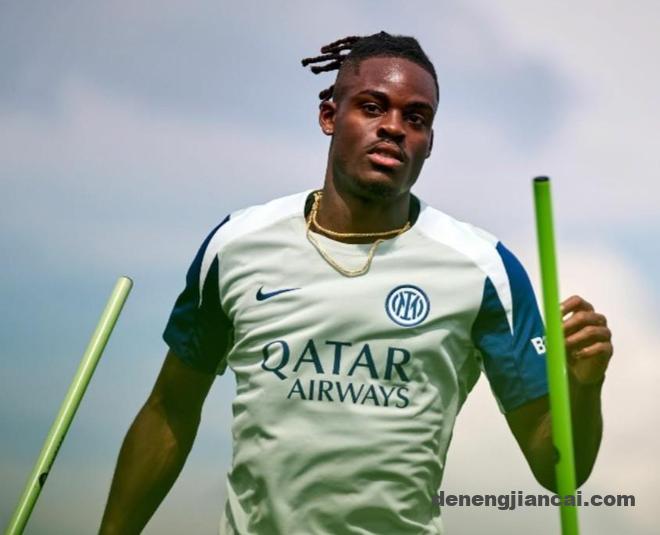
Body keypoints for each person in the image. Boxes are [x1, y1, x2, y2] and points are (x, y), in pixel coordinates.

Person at [98, 32, 613, 534]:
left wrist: (585, 386)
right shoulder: (237, 244)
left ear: (429, 144)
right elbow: (169, 411)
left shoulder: (483, 268)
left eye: (416, 118)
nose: (393, 128)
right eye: (372, 107)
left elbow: (559, 471)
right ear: (329, 116)